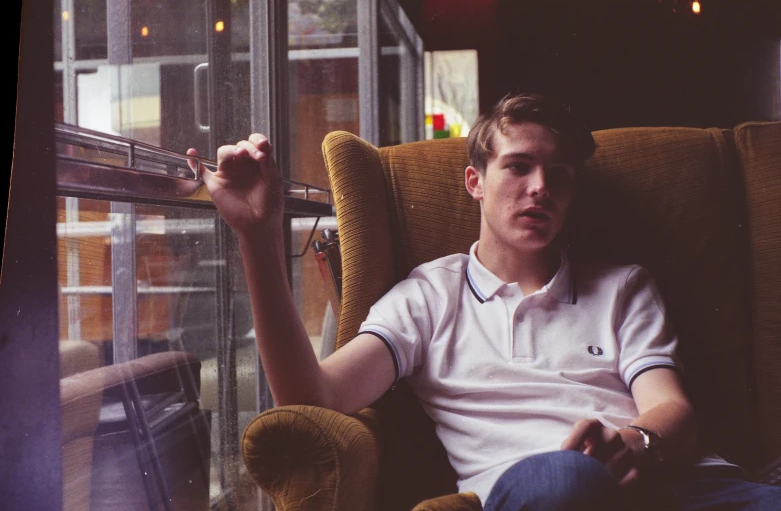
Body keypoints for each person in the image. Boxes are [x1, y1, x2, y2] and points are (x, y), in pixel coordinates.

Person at [188, 93, 780, 510]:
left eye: (560, 174)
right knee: (562, 477)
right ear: (475, 181)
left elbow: (671, 410)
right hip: (547, 493)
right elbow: (313, 395)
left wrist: (637, 441)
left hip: (690, 490)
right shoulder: (427, 296)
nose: (540, 187)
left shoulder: (623, 286)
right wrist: (258, 240)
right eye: (518, 167)